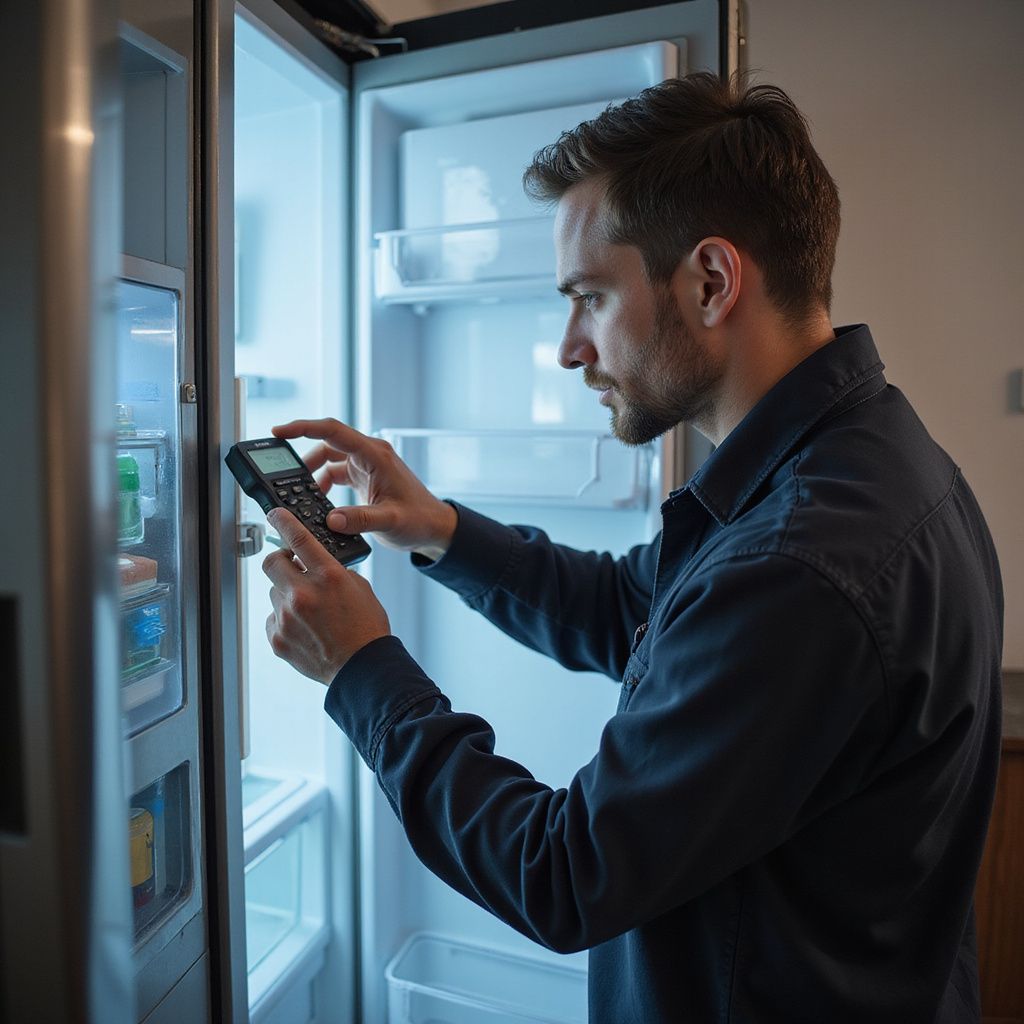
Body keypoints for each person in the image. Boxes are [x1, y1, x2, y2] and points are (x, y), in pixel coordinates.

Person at [259, 72, 1003, 1023]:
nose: (570, 347)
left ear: (710, 281)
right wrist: (439, 528)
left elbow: (565, 875)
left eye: (590, 298)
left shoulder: (802, 562)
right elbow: (631, 610)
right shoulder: (857, 465)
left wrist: (362, 671)